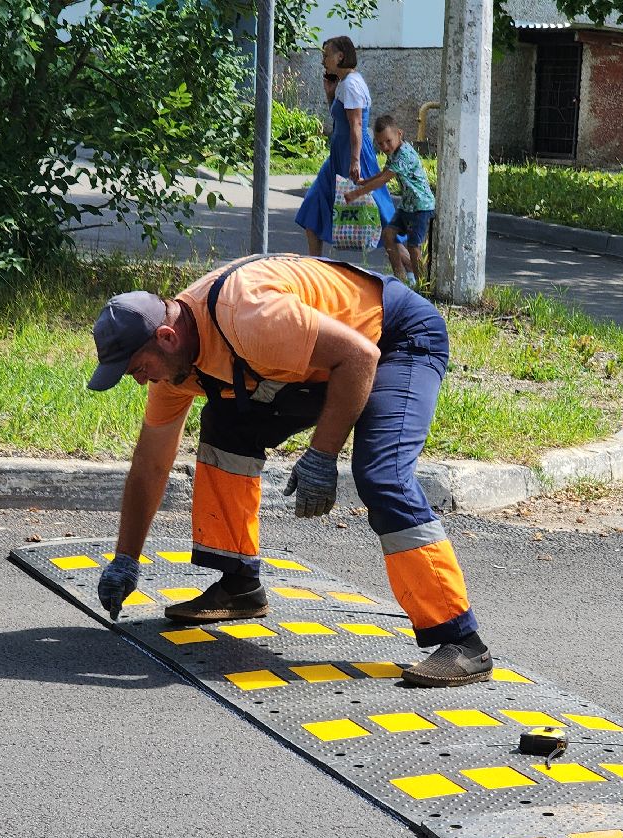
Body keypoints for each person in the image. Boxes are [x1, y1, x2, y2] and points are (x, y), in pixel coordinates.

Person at [88, 254, 493, 688]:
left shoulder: (249, 316)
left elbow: (359, 356)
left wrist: (322, 455)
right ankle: (239, 585)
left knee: (382, 475)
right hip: (328, 357)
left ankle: (462, 641)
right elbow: (150, 464)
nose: (141, 381)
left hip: (393, 339)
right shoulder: (178, 365)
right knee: (227, 426)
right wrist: (125, 558)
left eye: (138, 369)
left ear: (167, 337)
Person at [294, 36, 395, 258]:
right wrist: (330, 94)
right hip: (337, 155)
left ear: (340, 56)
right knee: (313, 204)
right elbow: (340, 118)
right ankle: (316, 265)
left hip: (354, 153)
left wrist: (355, 160)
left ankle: (408, 268)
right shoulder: (344, 83)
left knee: (380, 213)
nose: (323, 61)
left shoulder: (351, 85)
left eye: (326, 55)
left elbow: (356, 124)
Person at [343, 115, 435, 288]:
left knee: (414, 246)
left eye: (388, 141)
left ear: (399, 134)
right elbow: (383, 173)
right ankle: (399, 278)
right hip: (407, 206)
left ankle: (423, 286)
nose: (384, 146)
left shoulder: (404, 155)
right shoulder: (394, 152)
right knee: (388, 235)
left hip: (421, 207)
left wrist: (356, 193)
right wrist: (365, 181)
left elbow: (384, 179)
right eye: (380, 143)